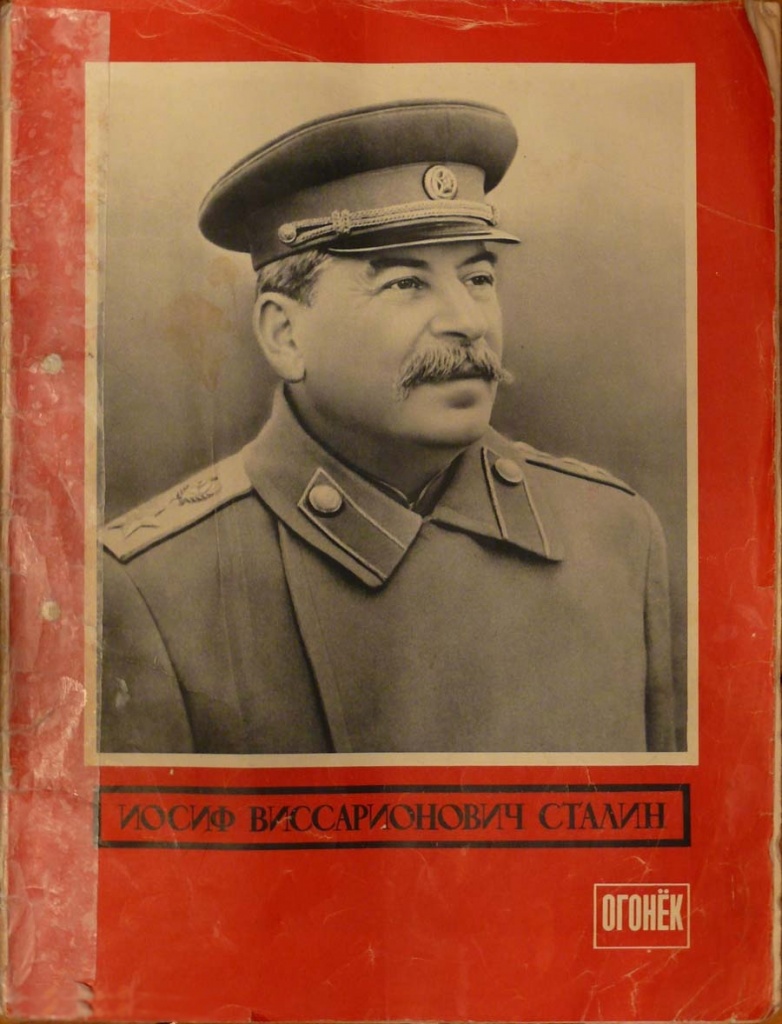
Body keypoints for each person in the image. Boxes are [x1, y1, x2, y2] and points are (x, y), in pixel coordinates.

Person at [100, 99, 676, 755]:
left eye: (478, 277)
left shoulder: (614, 538)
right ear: (285, 334)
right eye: (406, 284)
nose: (468, 321)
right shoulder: (152, 588)